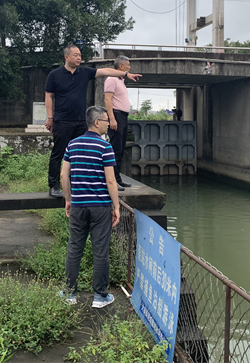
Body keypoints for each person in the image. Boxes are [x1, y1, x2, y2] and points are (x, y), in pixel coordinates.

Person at [45, 45, 141, 198]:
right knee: (58, 153)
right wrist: (50, 118)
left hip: (81, 121)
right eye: (75, 55)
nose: (79, 58)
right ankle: (54, 186)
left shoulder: (84, 72)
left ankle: (77, 184)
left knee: (81, 154)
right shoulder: (55, 75)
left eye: (80, 55)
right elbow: (48, 96)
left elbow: (106, 71)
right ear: (66, 57)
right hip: (62, 120)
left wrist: (126, 74)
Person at [59, 106, 120, 308]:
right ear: (96, 122)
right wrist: (116, 206)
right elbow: (111, 181)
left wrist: (69, 199)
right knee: (100, 250)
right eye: (105, 120)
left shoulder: (72, 145)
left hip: (78, 205)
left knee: (75, 247)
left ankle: (69, 293)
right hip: (100, 207)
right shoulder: (105, 147)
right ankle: (100, 296)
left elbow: (63, 176)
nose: (108, 123)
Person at [104, 55, 132, 188]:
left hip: (123, 116)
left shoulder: (120, 80)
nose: (129, 67)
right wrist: (112, 119)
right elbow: (107, 100)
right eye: (128, 65)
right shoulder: (111, 79)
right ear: (121, 66)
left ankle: (118, 178)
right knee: (115, 149)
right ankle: (112, 180)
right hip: (116, 115)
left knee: (120, 149)